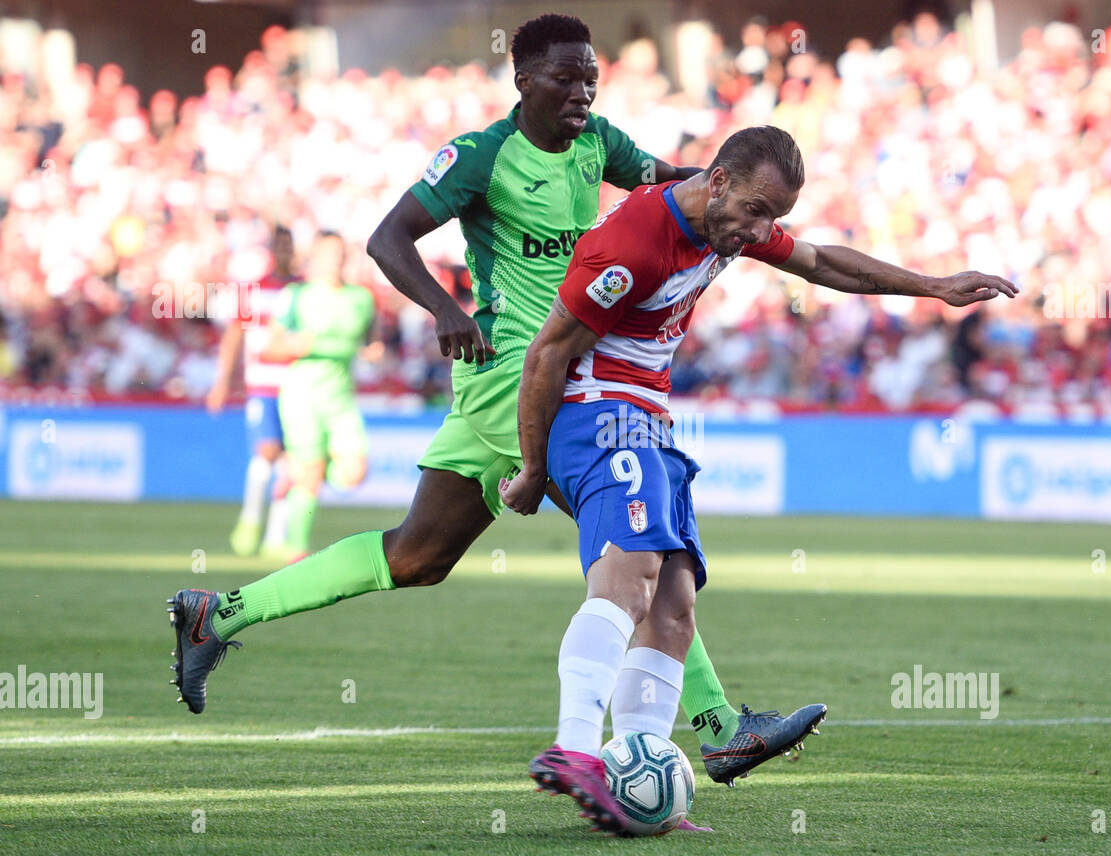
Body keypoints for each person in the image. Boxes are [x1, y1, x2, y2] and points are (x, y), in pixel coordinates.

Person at [166, 14, 824, 789]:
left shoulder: (600, 143)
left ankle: (218, 612)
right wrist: (444, 309)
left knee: (417, 555)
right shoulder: (481, 157)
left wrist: (738, 199)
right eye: (565, 79)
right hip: (524, 370)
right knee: (636, 535)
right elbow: (388, 238)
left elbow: (674, 183)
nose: (581, 93)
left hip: (559, 369)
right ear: (523, 81)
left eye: (590, 80)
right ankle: (718, 729)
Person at [501, 125, 1017, 832]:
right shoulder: (634, 242)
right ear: (717, 182)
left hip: (647, 420)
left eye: (771, 216)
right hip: (598, 413)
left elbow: (823, 264)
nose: (760, 230)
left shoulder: (726, 225)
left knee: (675, 604)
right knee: (632, 575)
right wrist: (534, 468)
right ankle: (573, 747)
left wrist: (930, 286)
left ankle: (636, 788)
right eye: (754, 211)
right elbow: (545, 356)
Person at [260, 230, 379, 561]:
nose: (335, 261)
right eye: (328, 255)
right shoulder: (297, 296)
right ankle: (295, 548)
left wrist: (374, 352)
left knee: (354, 472)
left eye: (340, 255)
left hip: (340, 396)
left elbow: (372, 341)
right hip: (303, 394)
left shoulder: (362, 298)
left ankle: (295, 476)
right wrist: (292, 345)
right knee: (310, 474)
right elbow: (270, 347)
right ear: (314, 259)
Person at [206, 225, 296, 557]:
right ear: (271, 250)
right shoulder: (251, 290)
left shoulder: (303, 290)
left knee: (292, 461)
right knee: (267, 451)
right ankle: (250, 519)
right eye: (280, 245)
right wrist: (222, 381)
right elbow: (234, 335)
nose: (285, 251)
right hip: (263, 385)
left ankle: (276, 535)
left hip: (297, 387)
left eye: (289, 245)